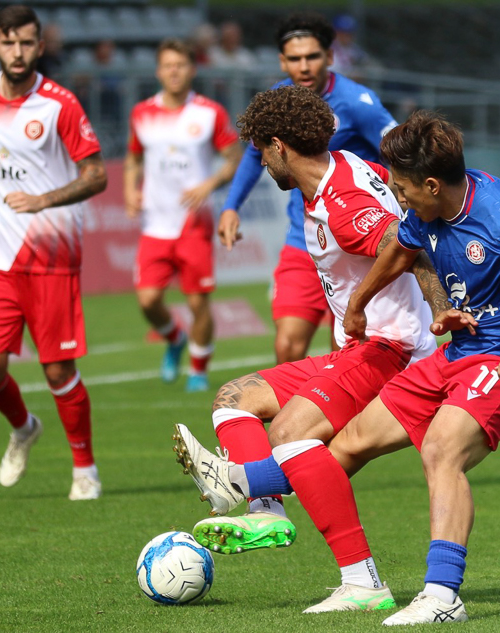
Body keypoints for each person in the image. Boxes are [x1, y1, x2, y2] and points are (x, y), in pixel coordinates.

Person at [180, 111, 500, 625]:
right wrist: (360, 303)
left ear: (432, 185)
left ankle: (442, 596)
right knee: (348, 444)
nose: (396, 197)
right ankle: (256, 493)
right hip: (457, 353)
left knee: (441, 450)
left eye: (402, 188)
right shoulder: (428, 208)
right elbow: (401, 247)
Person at [172, 86, 448, 614]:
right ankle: (265, 510)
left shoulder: (341, 203)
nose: (261, 161)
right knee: (235, 398)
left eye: (261, 151)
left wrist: (409, 307)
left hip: (391, 347)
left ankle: (363, 583)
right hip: (362, 346)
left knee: (289, 433)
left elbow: (401, 241)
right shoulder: (341, 168)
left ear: (279, 147)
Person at [0, 5, 108, 501]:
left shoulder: (60, 104)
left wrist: (43, 200)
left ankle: (84, 468)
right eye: (9, 42)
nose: (17, 52)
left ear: (39, 47)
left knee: (58, 370)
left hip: (51, 254)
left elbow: (96, 175)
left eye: (26, 43)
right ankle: (23, 427)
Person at [217, 12, 397, 364]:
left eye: (312, 56)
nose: (304, 66)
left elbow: (400, 151)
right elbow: (254, 156)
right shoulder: (277, 101)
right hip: (303, 240)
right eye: (295, 58)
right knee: (287, 347)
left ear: (329, 56)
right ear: (282, 61)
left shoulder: (357, 102)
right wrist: (230, 206)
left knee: (346, 352)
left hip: (353, 245)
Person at [124, 39, 243, 390]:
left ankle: (198, 370)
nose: (173, 71)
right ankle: (175, 338)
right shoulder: (142, 113)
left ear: (192, 69)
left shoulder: (209, 113)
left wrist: (211, 183)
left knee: (197, 302)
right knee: (148, 300)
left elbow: (234, 158)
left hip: (194, 224)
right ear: (158, 71)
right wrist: (129, 189)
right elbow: (133, 157)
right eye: (167, 65)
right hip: (155, 224)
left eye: (180, 65)